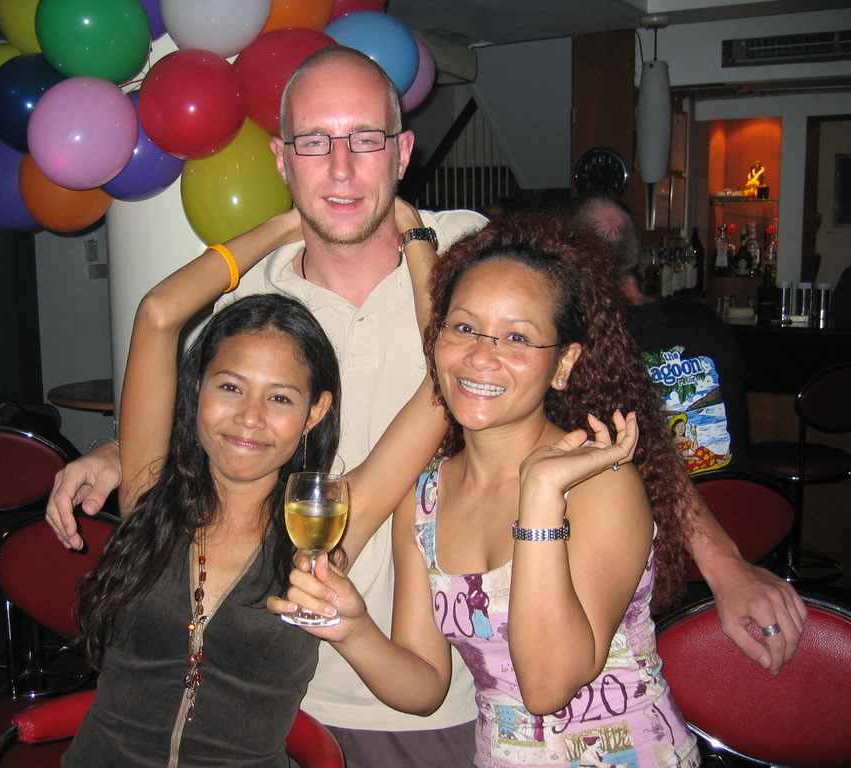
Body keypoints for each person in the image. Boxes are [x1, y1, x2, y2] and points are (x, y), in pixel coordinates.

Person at [48, 46, 805, 765]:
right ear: (281, 160)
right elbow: (204, 418)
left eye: (364, 139)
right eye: (314, 142)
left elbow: (615, 419)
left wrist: (725, 564)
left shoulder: (478, 262)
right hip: (273, 685)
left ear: (403, 151)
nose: (341, 167)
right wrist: (118, 452)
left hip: (443, 693)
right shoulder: (250, 300)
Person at [273, 214, 700, 767]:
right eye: (464, 328)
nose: (479, 357)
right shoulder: (424, 500)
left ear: (564, 362)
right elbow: (425, 685)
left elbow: (546, 686)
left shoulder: (600, 484)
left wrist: (540, 494)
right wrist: (351, 629)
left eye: (517, 337)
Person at [62, 208, 448, 767]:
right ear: (198, 389)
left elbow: (446, 382)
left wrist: (416, 239)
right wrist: (291, 224)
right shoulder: (149, 494)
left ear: (315, 412)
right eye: (230, 387)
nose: (250, 417)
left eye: (280, 397)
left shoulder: (324, 526)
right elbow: (158, 312)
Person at [566, 194, 752, 476]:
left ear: (573, 256)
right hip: (737, 489)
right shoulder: (704, 320)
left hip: (660, 499)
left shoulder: (589, 337)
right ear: (635, 250)